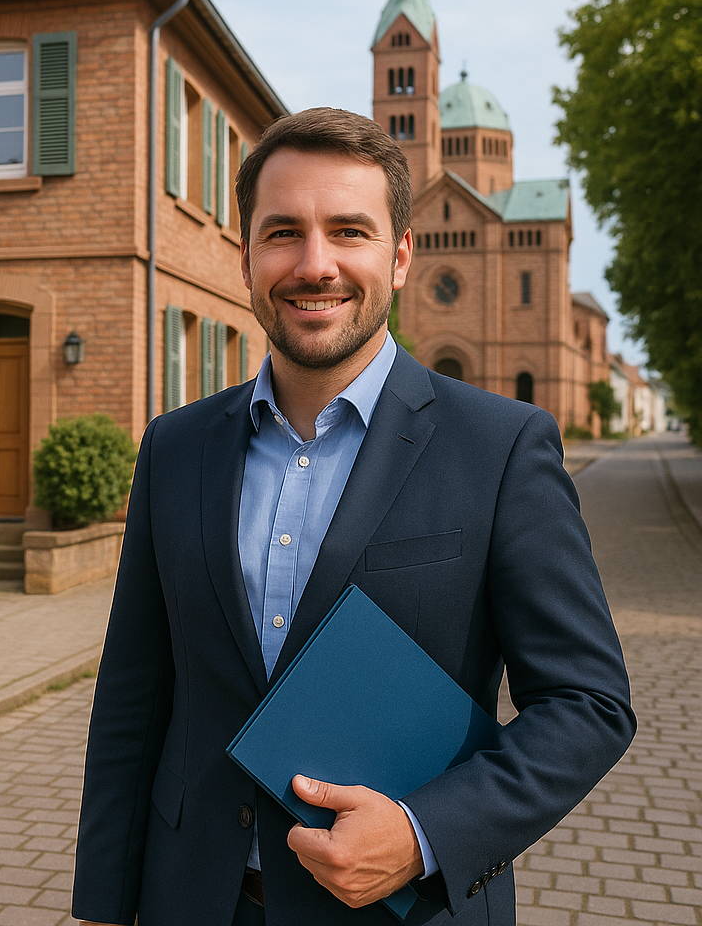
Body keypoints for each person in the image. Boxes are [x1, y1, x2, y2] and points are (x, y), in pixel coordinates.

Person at [71, 108, 635, 926]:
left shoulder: (502, 447)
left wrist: (422, 832)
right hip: (189, 898)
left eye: (349, 231)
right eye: (282, 234)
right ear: (246, 258)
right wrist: (101, 902)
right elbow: (132, 693)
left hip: (403, 910)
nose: (315, 264)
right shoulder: (175, 447)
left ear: (400, 255)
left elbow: (588, 704)